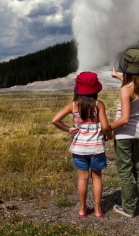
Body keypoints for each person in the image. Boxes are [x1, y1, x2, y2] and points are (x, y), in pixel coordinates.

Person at [52, 71, 113, 219]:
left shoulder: (73, 106)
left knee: (82, 179)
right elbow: (105, 126)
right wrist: (109, 136)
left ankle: (82, 209)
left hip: (79, 148)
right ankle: (98, 210)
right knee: (97, 178)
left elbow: (55, 120)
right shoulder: (99, 105)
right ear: (95, 90)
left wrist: (68, 129)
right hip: (97, 148)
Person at [110, 48, 139, 218]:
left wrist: (107, 128)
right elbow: (131, 83)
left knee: (125, 171)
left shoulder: (125, 90)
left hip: (124, 135)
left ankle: (128, 208)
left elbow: (124, 119)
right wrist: (118, 77)